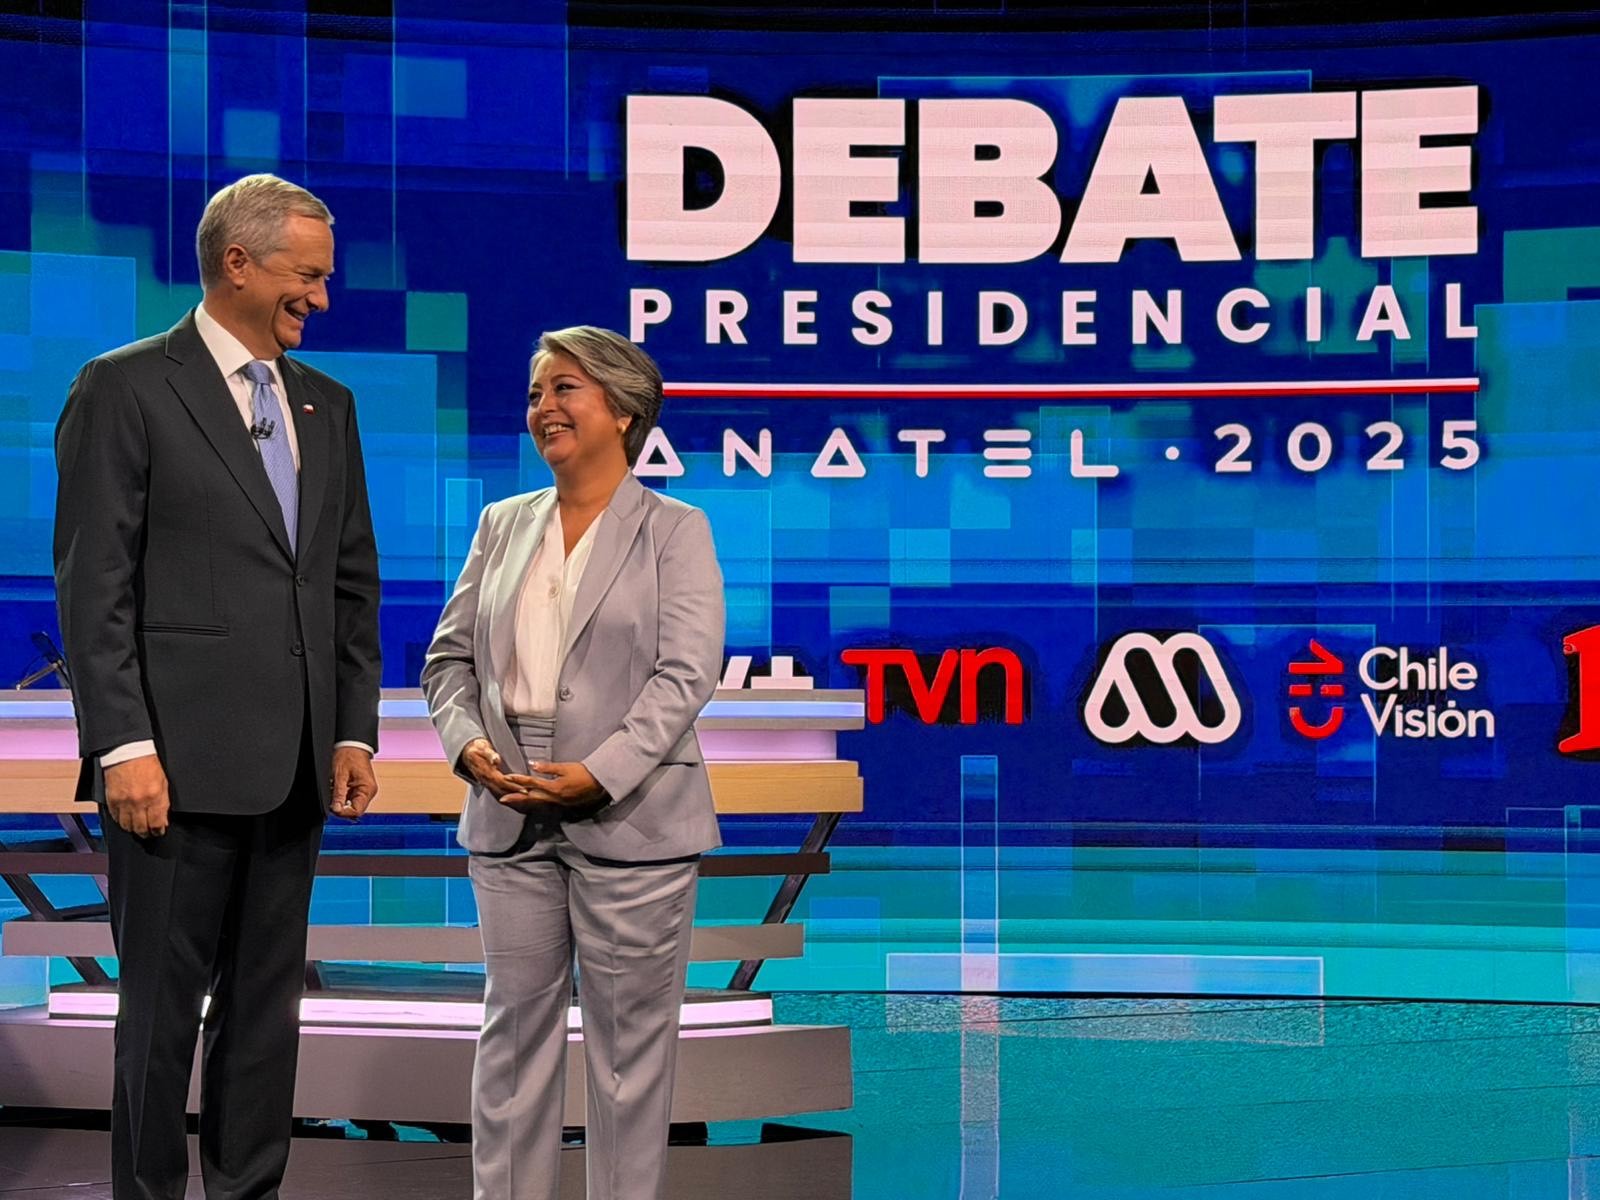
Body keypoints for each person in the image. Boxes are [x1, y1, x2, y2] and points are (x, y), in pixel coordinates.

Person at [52, 174, 382, 1199]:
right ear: (236, 262)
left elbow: (347, 582)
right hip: (171, 771)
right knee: (157, 1016)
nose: (320, 297)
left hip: (294, 767)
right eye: (306, 275)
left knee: (265, 1015)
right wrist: (123, 746)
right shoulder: (124, 387)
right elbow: (94, 585)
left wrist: (352, 731)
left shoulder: (329, 404)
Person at [421, 326, 725, 1200]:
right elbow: (448, 662)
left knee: (628, 1060)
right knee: (512, 1043)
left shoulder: (676, 530)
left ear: (623, 411)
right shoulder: (501, 525)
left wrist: (602, 771)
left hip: (630, 817)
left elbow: (686, 673)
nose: (543, 409)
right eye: (534, 394)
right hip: (507, 811)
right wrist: (467, 745)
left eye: (564, 389)